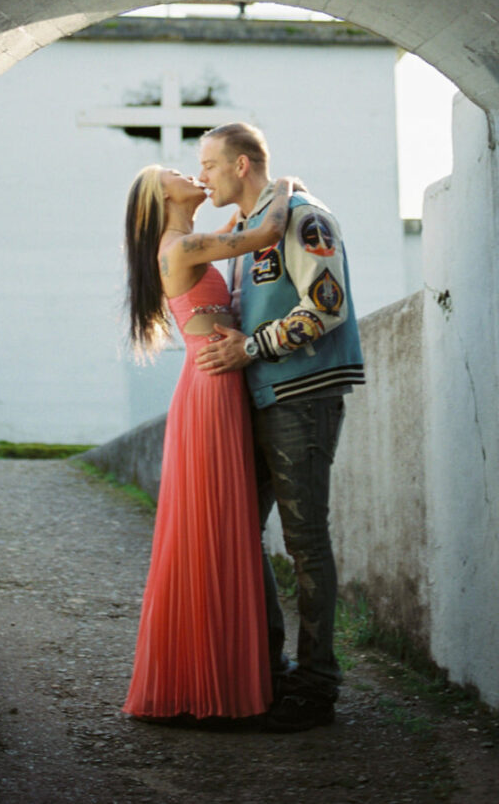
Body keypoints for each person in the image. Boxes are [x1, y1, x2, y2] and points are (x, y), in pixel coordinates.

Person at [195, 123, 365, 733]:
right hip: (262, 400)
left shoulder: (303, 218)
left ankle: (317, 688)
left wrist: (252, 348)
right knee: (239, 530)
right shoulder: (246, 230)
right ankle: (270, 668)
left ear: (242, 165)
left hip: (303, 397)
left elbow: (326, 302)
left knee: (305, 541)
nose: (202, 176)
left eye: (210, 165)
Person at [121, 164, 295, 723]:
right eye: (171, 172)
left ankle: (222, 674)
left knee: (223, 526)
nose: (185, 172)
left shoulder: (187, 243)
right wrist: (283, 184)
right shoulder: (182, 244)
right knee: (218, 526)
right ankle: (212, 684)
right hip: (212, 388)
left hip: (218, 383)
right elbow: (266, 234)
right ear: (160, 197)